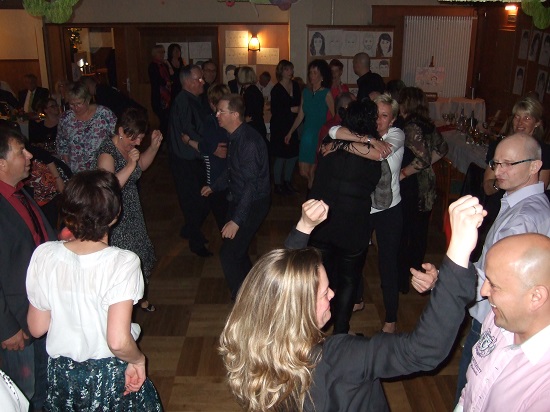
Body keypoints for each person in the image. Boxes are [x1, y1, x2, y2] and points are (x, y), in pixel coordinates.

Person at [219, 193, 485, 412]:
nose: (332, 295)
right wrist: (459, 250)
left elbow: (280, 285)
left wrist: (304, 227)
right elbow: (422, 351)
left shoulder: (252, 342)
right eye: (324, 293)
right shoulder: (339, 358)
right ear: (298, 309)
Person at [25, 169, 162, 411]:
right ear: (115, 214)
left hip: (62, 375)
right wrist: (139, 359)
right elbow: (118, 341)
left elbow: (37, 327)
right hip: (107, 375)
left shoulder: (44, 254)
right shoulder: (123, 262)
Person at [452, 133, 550, 404]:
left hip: (494, 318)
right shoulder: (526, 204)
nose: (498, 171)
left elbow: (496, 280)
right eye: (496, 163)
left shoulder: (522, 220)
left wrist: (447, 280)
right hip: (507, 319)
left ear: (535, 166)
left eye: (509, 164)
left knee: (473, 389)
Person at [328, 93, 405, 333]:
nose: (379, 120)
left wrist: (345, 144)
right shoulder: (366, 134)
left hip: (389, 210)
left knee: (387, 263)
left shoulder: (396, 135)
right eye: (376, 115)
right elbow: (333, 131)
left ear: (393, 119)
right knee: (354, 258)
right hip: (363, 208)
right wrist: (364, 139)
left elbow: (379, 154)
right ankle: (358, 299)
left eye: (385, 116)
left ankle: (390, 319)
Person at [308, 99, 383, 335]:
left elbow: (334, 135)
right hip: (353, 226)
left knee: (319, 280)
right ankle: (340, 334)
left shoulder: (330, 143)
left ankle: (314, 330)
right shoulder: (375, 152)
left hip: (322, 223)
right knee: (349, 280)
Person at [455, 233, 550, 411]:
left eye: (493, 285)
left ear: (536, 297)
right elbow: (472, 390)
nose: (483, 292)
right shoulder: (497, 319)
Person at [0, 127, 56, 411]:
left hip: (41, 309)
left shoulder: (19, 193)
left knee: (45, 384)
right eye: (20, 151)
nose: (29, 155)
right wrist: (6, 328)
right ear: (1, 163)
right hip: (17, 323)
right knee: (24, 392)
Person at [201, 94, 270, 300]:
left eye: (221, 111)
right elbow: (232, 171)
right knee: (236, 251)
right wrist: (214, 186)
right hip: (239, 198)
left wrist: (236, 221)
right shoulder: (234, 135)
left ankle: (242, 302)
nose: (217, 115)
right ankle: (254, 291)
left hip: (252, 203)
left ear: (235, 115)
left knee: (229, 255)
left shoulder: (248, 142)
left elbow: (250, 186)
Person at [96, 108, 163, 312]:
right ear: (121, 131)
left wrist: (153, 147)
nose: (137, 143)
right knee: (125, 259)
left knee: (140, 253)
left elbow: (140, 166)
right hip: (116, 216)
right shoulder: (107, 153)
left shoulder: (129, 147)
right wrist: (130, 164)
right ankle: (124, 304)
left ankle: (139, 297)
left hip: (132, 209)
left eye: (141, 138)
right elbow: (109, 188)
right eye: (134, 138)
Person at [397, 86, 448, 293]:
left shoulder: (411, 127)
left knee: (404, 233)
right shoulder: (427, 125)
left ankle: (402, 281)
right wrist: (424, 167)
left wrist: (404, 173)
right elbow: (442, 149)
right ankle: (415, 276)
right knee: (419, 233)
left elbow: (423, 158)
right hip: (426, 184)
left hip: (413, 186)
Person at [168, 64, 213, 257]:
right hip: (186, 160)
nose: (203, 81)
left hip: (193, 157)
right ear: (187, 82)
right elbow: (190, 131)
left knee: (202, 199)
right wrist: (208, 147)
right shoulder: (184, 102)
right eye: (199, 79)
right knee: (194, 202)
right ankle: (195, 242)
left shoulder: (193, 99)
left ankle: (190, 229)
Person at [181, 83, 229, 230]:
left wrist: (188, 141)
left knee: (219, 214)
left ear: (211, 102)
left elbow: (206, 147)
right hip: (228, 174)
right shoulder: (229, 120)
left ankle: (193, 230)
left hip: (215, 175)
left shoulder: (211, 120)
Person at [285, 59, 335, 190]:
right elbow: (300, 115)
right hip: (307, 135)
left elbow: (334, 117)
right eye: (310, 72)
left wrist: (331, 135)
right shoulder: (305, 92)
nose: (311, 75)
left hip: (319, 135)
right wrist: (290, 132)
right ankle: (317, 188)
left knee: (313, 171)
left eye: (315, 72)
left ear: (322, 76)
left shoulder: (326, 93)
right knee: (303, 171)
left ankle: (313, 194)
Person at [56, 80, 117, 173]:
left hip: (101, 169)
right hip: (77, 172)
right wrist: (64, 155)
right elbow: (61, 142)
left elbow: (116, 138)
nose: (76, 108)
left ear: (88, 100)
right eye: (72, 104)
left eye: (79, 103)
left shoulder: (104, 114)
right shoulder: (66, 118)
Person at [270, 60, 301, 195]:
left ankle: (287, 181)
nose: (290, 72)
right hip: (280, 126)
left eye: (291, 69)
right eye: (287, 69)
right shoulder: (276, 89)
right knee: (281, 155)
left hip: (293, 124)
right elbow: (275, 110)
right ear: (281, 71)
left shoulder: (295, 85)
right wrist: (290, 110)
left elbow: (300, 103)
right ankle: (278, 184)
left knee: (293, 155)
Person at [237, 66, 267, 142]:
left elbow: (251, 115)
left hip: (253, 128)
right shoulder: (253, 90)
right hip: (258, 126)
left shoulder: (249, 92)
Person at [148, 44, 172, 136]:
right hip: (159, 97)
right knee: (163, 120)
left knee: (167, 120)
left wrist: (168, 64)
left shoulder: (164, 65)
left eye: (163, 52)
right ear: (154, 53)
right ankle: (160, 139)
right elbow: (156, 80)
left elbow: (171, 75)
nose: (162, 54)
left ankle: (164, 139)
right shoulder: (153, 66)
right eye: (159, 52)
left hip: (167, 97)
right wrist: (166, 83)